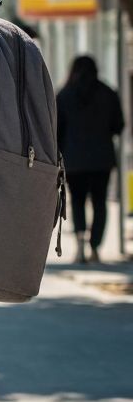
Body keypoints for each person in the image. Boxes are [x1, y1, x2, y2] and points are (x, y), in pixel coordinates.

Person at [56, 55, 124, 264]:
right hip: (101, 159)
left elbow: (57, 130)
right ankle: (95, 248)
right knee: (100, 203)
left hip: (74, 160)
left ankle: (79, 246)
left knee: (76, 201)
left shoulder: (65, 95)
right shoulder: (108, 93)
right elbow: (118, 125)